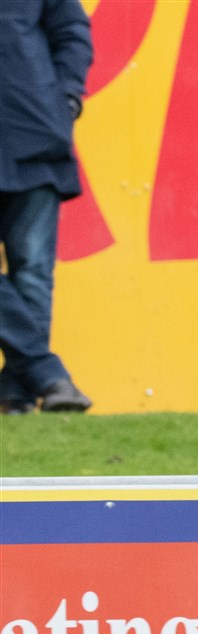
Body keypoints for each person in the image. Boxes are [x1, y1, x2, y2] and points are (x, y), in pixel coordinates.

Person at [0, 0, 94, 415]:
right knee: (32, 272)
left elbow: (71, 32)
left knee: (33, 272)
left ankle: (17, 395)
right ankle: (47, 374)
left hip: (32, 136)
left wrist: (67, 97)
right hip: (36, 133)